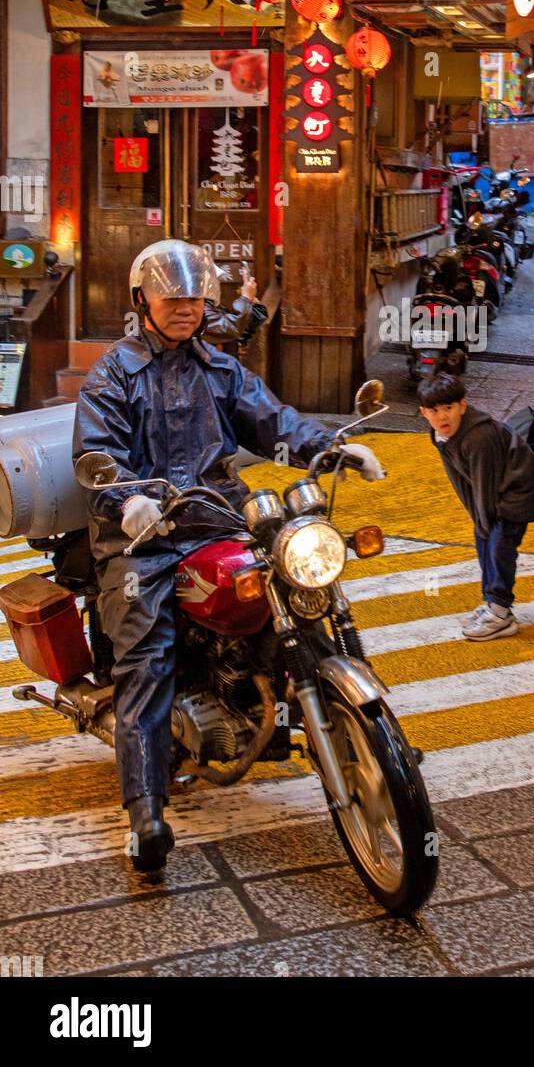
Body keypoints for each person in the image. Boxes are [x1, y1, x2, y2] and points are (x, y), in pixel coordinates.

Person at [73, 240, 384, 872]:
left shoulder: (220, 369)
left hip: (217, 517)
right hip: (144, 538)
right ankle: (146, 810)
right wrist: (127, 499)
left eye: (193, 298)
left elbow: (274, 422)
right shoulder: (112, 374)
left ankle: (370, 735)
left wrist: (330, 449)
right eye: (172, 298)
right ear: (143, 301)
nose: (185, 309)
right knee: (148, 658)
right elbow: (96, 452)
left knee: (301, 590)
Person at [418, 372, 534, 641]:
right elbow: (461, 480)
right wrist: (478, 518)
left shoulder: (478, 437)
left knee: (499, 546)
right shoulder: (440, 435)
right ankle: (493, 603)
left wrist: (484, 518)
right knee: (484, 540)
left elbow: (484, 480)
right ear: (424, 413)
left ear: (462, 406)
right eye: (434, 410)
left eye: (449, 408)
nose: (442, 416)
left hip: (515, 493)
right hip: (493, 495)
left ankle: (500, 612)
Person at [204, 265, 268, 347]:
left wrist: (253, 307)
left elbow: (241, 335)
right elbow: (229, 328)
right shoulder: (199, 305)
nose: (217, 285)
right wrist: (246, 299)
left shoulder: (209, 303)